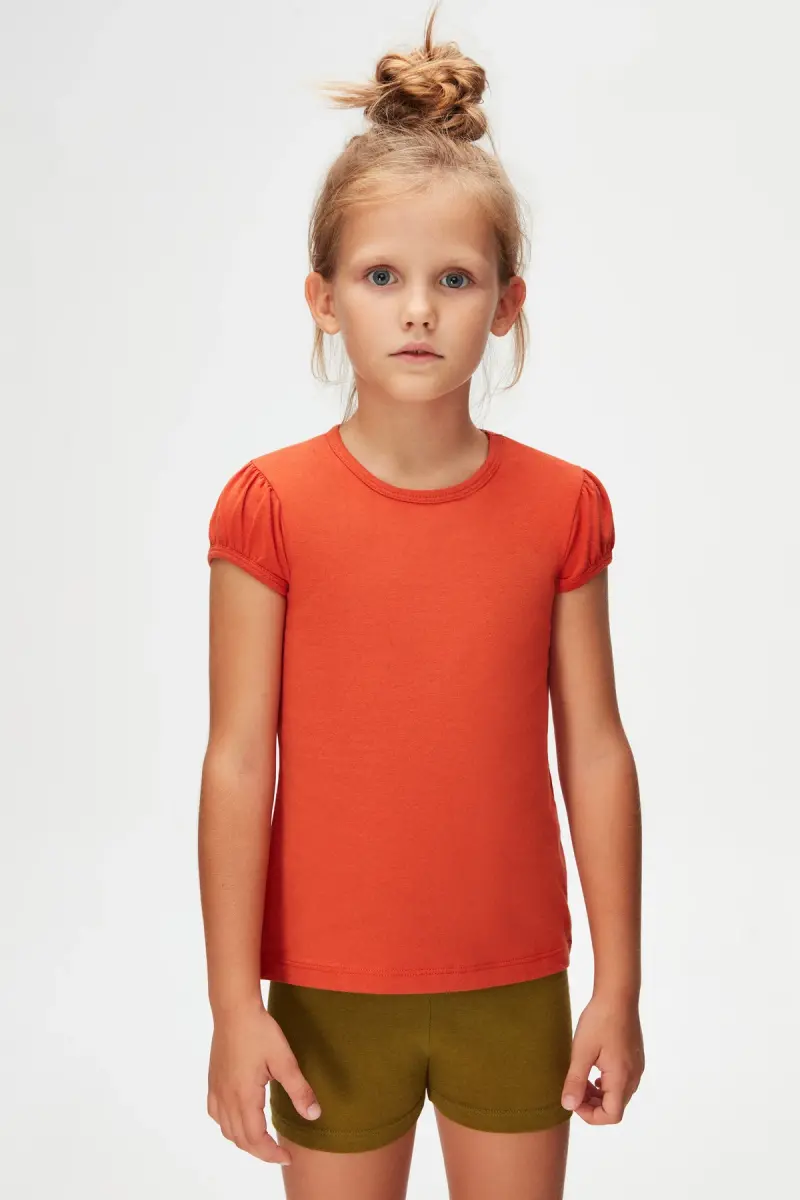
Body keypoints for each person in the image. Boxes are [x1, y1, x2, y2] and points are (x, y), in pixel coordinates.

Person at [198, 5, 644, 1197]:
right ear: (321, 298)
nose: (415, 309)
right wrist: (232, 1004)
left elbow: (594, 749)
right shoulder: (270, 507)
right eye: (380, 276)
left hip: (512, 984)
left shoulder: (560, 507)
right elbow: (237, 758)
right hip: (327, 992)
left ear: (504, 301)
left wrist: (616, 986)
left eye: (453, 279)